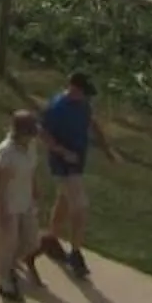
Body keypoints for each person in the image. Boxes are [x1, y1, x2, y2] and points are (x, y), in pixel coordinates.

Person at [38, 72, 121, 278]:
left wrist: (107, 150)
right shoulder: (56, 108)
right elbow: (43, 133)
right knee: (80, 206)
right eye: (84, 93)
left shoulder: (83, 105)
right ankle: (75, 253)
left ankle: (50, 237)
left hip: (77, 162)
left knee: (64, 200)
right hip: (63, 165)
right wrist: (62, 152)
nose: (87, 98)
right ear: (73, 88)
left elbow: (92, 124)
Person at [0, 107, 48, 300]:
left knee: (32, 241)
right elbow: (0, 186)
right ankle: (4, 283)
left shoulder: (30, 147)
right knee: (7, 244)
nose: (33, 136)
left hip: (26, 201)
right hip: (9, 204)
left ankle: (11, 264)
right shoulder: (6, 152)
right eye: (30, 132)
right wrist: (3, 211)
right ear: (19, 132)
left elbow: (30, 170)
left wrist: (35, 188)